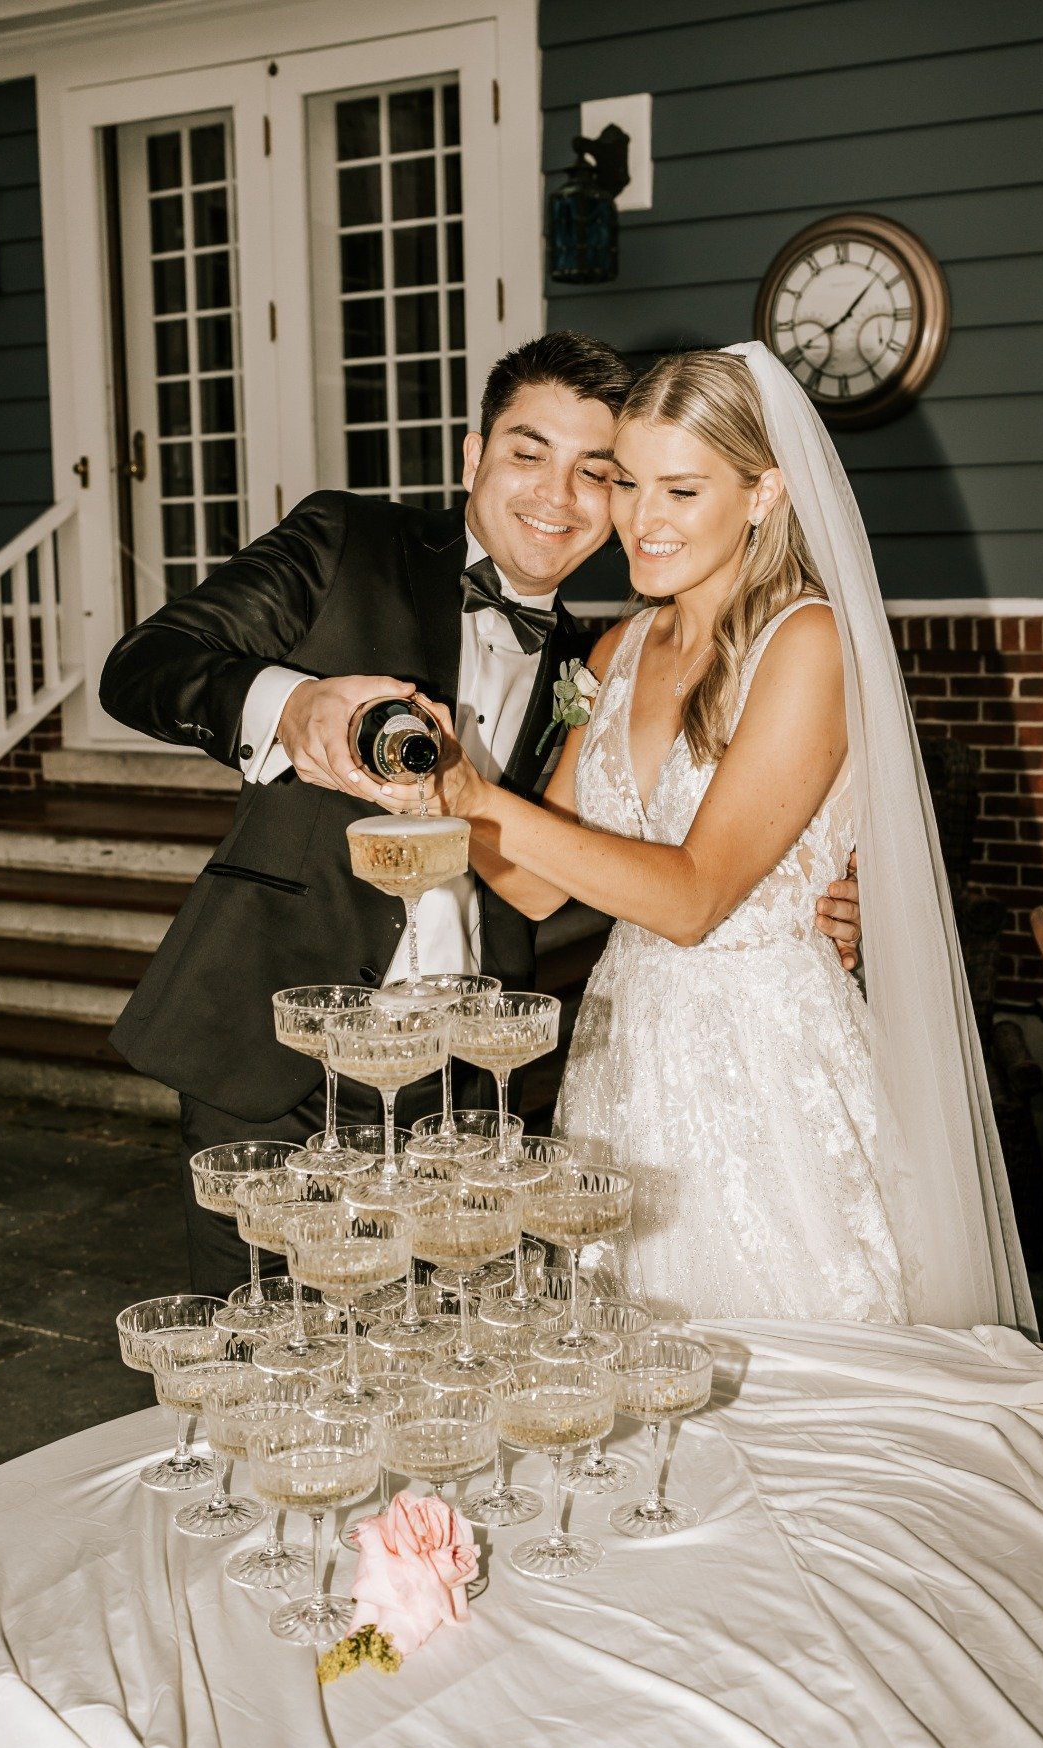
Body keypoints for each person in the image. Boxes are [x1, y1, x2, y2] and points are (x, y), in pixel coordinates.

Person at [98, 331, 865, 1295]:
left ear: (758, 495)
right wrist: (291, 707)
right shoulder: (356, 546)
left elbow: (642, 870)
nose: (562, 497)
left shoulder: (593, 658)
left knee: (447, 1378)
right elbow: (143, 666)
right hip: (278, 1051)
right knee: (269, 1356)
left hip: (470, 1086)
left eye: (599, 473)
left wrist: (811, 897)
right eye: (527, 453)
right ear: (474, 455)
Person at [423, 344, 1035, 1331]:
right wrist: (434, 796)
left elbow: (694, 896)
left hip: (767, 1072)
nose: (640, 519)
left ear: (764, 493)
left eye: (681, 489)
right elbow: (532, 888)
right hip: (627, 1056)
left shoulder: (806, 643)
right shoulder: (620, 650)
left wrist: (483, 800)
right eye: (627, 483)